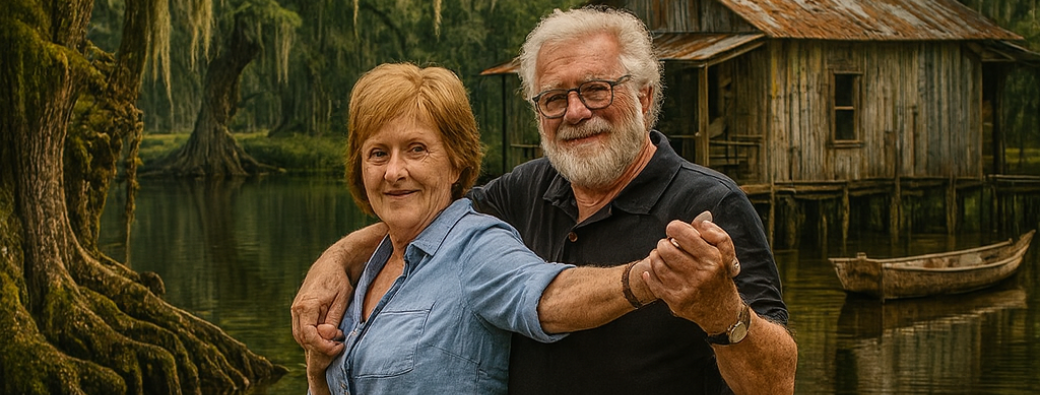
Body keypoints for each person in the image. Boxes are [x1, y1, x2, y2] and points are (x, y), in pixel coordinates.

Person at [295, 6, 797, 394]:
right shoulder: (524, 190)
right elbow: (423, 214)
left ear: (644, 97)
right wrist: (335, 259)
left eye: (596, 90)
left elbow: (777, 383)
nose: (575, 112)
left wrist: (721, 312)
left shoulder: (710, 204)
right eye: (554, 98)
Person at [306, 62, 668, 395]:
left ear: (456, 165)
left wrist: (647, 276)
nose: (394, 172)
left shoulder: (475, 247)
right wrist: (315, 376)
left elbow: (547, 295)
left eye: (416, 149)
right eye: (378, 153)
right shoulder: (370, 267)